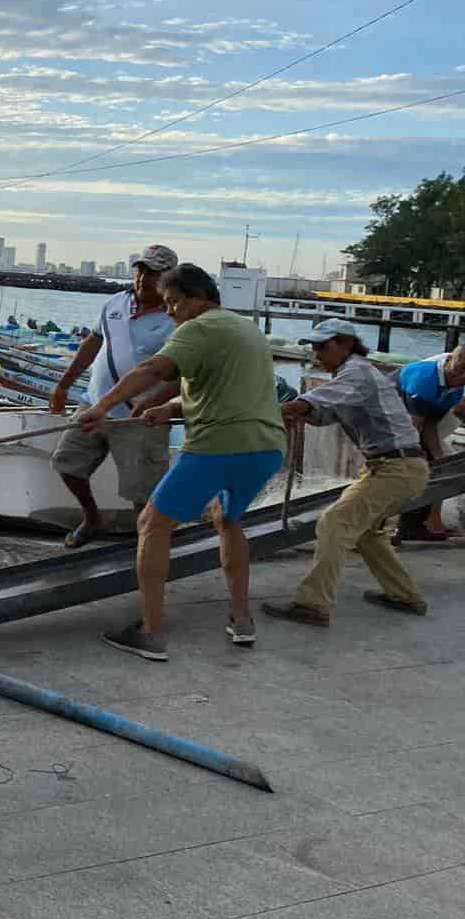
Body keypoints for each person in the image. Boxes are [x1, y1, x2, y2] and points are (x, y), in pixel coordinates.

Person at [77, 263, 285, 661]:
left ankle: (151, 632)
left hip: (219, 444)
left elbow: (152, 368)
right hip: (266, 446)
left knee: (152, 524)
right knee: (228, 519)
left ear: (196, 299)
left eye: (173, 302)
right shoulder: (244, 328)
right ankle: (242, 621)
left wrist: (103, 406)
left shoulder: (198, 327)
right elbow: (225, 391)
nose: (169, 311)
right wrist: (168, 408)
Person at [261, 319, 429, 627]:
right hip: (392, 466)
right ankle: (405, 595)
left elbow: (313, 403)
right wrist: (301, 412)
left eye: (323, 347)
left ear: (347, 344)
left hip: (397, 466)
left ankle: (311, 605)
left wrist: (262, 411)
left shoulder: (357, 372)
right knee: (365, 533)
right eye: (314, 348)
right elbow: (322, 414)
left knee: (335, 522)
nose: (317, 354)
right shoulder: (348, 378)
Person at [48, 245, 179, 549]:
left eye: (154, 273)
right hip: (94, 403)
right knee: (67, 462)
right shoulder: (115, 303)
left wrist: (157, 402)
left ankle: (147, 547)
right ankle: (92, 518)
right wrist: (64, 384)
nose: (144, 279)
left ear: (169, 279)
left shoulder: (176, 318)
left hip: (141, 416)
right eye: (141, 270)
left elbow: (183, 372)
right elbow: (92, 343)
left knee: (142, 490)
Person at [391, 347, 465, 542]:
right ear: (449, 360)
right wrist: (415, 458)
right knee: (396, 469)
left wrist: (438, 456)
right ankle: (373, 529)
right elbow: (413, 428)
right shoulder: (424, 380)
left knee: (434, 467)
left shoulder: (455, 390)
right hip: (384, 417)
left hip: (414, 420)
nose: (462, 375)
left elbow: (430, 424)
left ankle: (412, 527)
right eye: (460, 368)